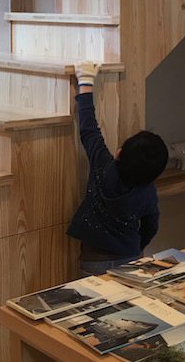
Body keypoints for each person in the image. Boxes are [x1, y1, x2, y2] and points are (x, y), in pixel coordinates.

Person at [68, 62, 168, 277]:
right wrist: (138, 246)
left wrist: (85, 81)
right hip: (129, 258)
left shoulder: (102, 166)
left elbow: (88, 129)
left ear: (119, 153)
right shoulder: (148, 192)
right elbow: (151, 225)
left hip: (92, 260)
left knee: (91, 298)